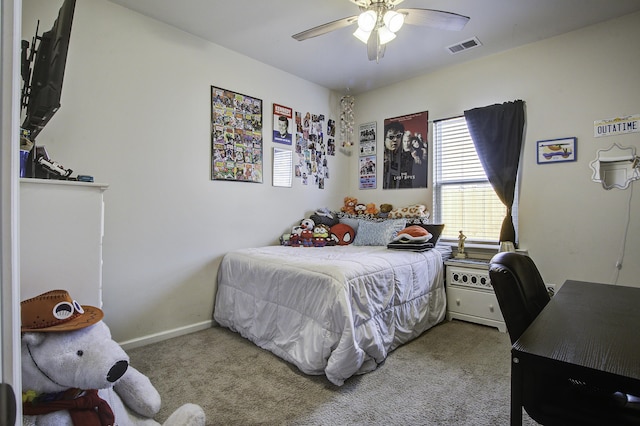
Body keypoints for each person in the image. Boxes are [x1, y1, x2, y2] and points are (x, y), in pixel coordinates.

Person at [383, 121, 418, 189]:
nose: (395, 139)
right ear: (384, 139)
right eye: (391, 137)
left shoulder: (408, 157)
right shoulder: (380, 159)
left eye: (398, 136)